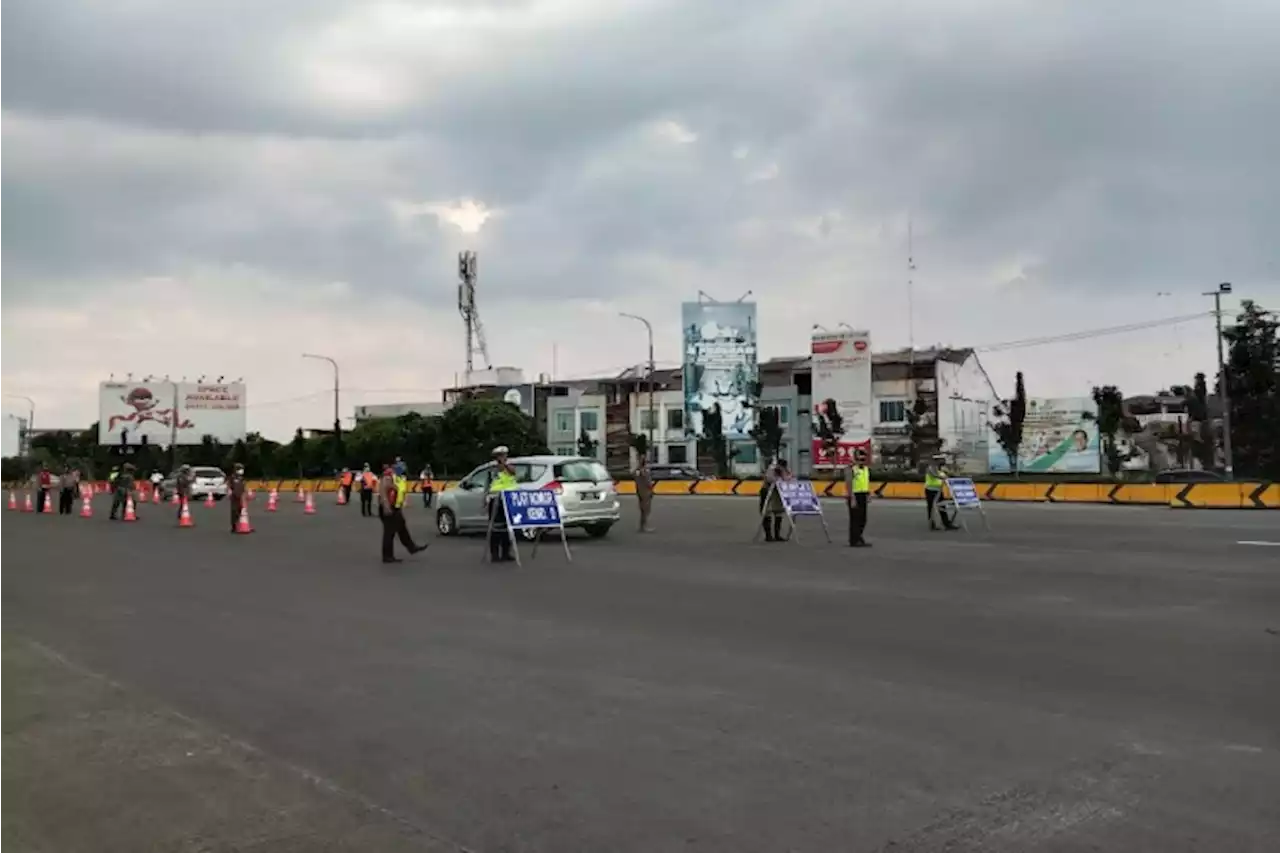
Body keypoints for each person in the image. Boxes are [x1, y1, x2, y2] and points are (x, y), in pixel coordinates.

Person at [379, 462, 425, 563]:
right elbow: (383, 492)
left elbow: (400, 492)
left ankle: (411, 547)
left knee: (401, 527)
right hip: (388, 507)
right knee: (389, 532)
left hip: (395, 507)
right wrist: (386, 507)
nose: (404, 472)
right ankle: (387, 556)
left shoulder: (400, 478)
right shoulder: (389, 476)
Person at [485, 446, 519, 562]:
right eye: (500, 456)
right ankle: (494, 554)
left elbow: (513, 473)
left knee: (507, 527)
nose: (503, 458)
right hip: (495, 500)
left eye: (504, 455)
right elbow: (488, 485)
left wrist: (505, 465)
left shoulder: (509, 468)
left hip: (507, 499)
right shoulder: (493, 469)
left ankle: (506, 552)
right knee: (495, 528)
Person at [924, 453, 959, 531]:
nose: (943, 461)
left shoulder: (941, 469)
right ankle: (932, 524)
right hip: (930, 490)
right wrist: (943, 477)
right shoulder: (931, 468)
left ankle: (946, 523)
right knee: (931, 507)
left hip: (938, 490)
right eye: (941, 460)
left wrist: (952, 474)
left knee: (942, 507)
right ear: (936, 461)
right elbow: (934, 475)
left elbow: (950, 474)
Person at [846, 451, 871, 547]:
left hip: (863, 495)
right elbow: (849, 484)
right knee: (855, 519)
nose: (861, 462)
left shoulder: (866, 469)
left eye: (863, 459)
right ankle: (854, 540)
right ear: (855, 459)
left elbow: (866, 482)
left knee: (863, 519)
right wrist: (852, 497)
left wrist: (868, 494)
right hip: (854, 495)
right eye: (859, 459)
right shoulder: (851, 469)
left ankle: (859, 537)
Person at [759, 459, 787, 542]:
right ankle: (768, 535)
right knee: (766, 512)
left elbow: (789, 477)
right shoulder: (772, 469)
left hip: (777, 492)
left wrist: (784, 475)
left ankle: (777, 535)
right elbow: (770, 479)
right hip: (767, 491)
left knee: (778, 512)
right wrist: (781, 477)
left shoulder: (784, 470)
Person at [634, 455, 654, 533]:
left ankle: (642, 526)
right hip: (645, 492)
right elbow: (647, 482)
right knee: (645, 510)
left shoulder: (638, 471)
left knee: (643, 510)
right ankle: (643, 527)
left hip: (641, 492)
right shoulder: (643, 471)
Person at [227, 463, 247, 532]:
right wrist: (229, 491)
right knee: (234, 510)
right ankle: (234, 526)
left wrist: (244, 494)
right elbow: (229, 485)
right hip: (234, 496)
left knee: (240, 510)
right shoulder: (232, 477)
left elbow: (243, 487)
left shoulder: (242, 478)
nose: (242, 471)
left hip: (240, 496)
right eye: (240, 469)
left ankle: (239, 524)